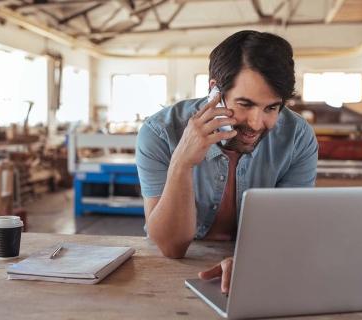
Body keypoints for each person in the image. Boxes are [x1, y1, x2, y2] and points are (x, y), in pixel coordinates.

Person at [135, 30, 318, 293]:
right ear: (214, 91)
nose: (256, 123)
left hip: (258, 271)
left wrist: (251, 261)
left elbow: (288, 232)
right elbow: (171, 247)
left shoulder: (297, 137)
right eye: (245, 104)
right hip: (172, 272)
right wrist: (182, 163)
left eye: (271, 108)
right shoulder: (160, 132)